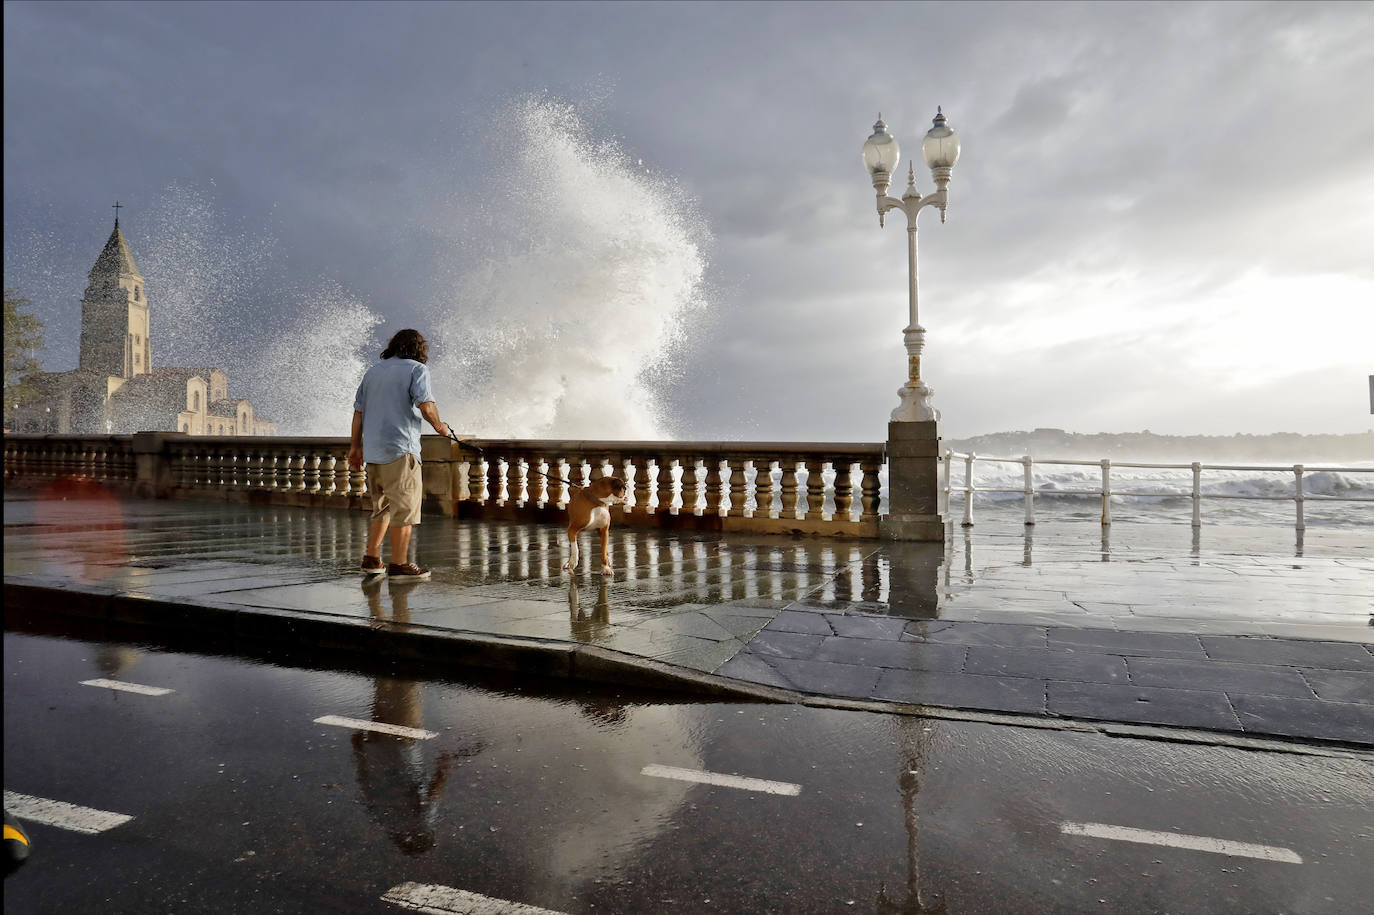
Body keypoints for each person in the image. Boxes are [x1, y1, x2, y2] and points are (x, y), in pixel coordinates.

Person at [348, 328, 450, 581]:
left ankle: (371, 558)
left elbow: (358, 413)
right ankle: (400, 564)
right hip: (401, 449)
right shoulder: (417, 369)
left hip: (373, 450)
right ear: (419, 349)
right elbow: (426, 405)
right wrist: (440, 426)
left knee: (380, 507)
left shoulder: (372, 372)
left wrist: (355, 448)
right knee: (404, 508)